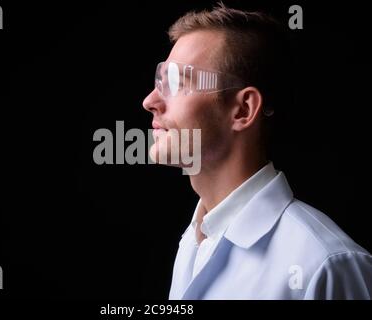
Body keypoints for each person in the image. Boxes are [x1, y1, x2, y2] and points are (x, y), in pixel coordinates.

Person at [142, 3, 372, 300]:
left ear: (243, 109)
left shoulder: (326, 265)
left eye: (177, 82)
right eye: (160, 81)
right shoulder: (195, 241)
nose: (150, 101)